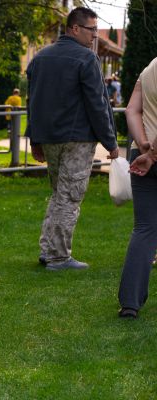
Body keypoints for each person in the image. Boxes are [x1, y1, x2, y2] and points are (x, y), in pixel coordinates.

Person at [25, 7, 119, 271]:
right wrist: (111, 142)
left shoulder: (40, 59)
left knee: (59, 195)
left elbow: (33, 103)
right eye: (91, 30)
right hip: (77, 139)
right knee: (70, 197)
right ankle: (59, 257)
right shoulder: (86, 59)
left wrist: (34, 139)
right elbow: (98, 104)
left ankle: (48, 250)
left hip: (50, 139)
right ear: (75, 28)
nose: (95, 36)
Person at [117, 57, 157, 319]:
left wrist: (143, 145)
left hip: (140, 155)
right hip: (150, 157)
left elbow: (131, 110)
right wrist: (152, 154)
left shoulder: (150, 67)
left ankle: (129, 303)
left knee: (144, 228)